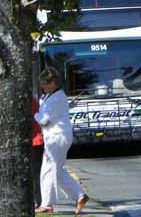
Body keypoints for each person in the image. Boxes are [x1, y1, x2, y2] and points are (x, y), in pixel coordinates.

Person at [34, 67, 89, 215]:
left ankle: (47, 204)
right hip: (55, 137)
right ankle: (79, 196)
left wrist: (35, 115)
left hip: (56, 138)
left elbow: (44, 120)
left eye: (45, 84)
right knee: (57, 172)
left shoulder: (57, 97)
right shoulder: (49, 96)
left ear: (53, 82)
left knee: (47, 170)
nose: (42, 87)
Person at [31, 94, 44, 208]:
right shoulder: (33, 99)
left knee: (35, 174)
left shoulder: (29, 101)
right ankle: (38, 200)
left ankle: (38, 201)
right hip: (36, 140)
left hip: (34, 140)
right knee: (36, 173)